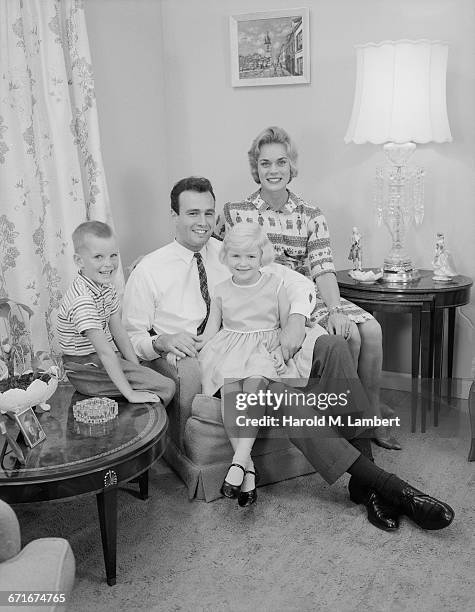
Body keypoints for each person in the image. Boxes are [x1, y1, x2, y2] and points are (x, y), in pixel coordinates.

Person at [122, 176, 454, 532]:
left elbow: (294, 282)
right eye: (191, 213)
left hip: (263, 347)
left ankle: (364, 482)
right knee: (270, 390)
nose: (202, 221)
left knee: (334, 347)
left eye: (208, 212)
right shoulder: (150, 270)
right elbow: (132, 337)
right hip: (218, 360)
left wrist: (295, 320)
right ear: (173, 215)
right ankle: (389, 487)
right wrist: (160, 342)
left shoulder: (231, 253)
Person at [215, 126, 400, 450]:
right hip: (273, 297)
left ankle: (370, 412)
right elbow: (215, 254)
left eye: (281, 162)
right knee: (350, 336)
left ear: (292, 166)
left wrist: (334, 310)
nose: (273, 170)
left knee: (372, 328)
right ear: (255, 168)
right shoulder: (236, 212)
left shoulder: (311, 214)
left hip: (308, 293)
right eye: (265, 163)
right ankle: (347, 424)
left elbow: (323, 269)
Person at [198, 223, 326, 507]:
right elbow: (209, 332)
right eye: (236, 257)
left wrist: (282, 351)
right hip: (231, 348)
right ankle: (246, 469)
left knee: (254, 384)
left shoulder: (275, 285)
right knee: (232, 392)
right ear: (226, 257)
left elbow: (284, 326)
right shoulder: (220, 290)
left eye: (250, 257)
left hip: (264, 349)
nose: (243, 263)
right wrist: (184, 345)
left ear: (261, 257)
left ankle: (239, 462)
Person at [57, 221, 175, 406]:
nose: (108, 264)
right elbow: (104, 353)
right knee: (166, 387)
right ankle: (147, 428)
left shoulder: (105, 287)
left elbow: (118, 331)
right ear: (79, 261)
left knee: (153, 373)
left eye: (113, 255)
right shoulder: (82, 300)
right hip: (85, 369)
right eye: (98, 257)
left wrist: (137, 368)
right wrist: (131, 393)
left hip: (103, 359)